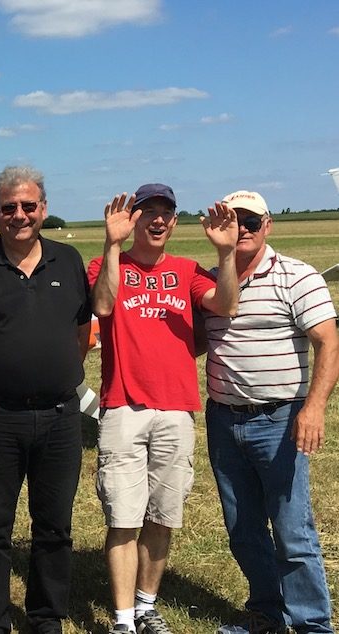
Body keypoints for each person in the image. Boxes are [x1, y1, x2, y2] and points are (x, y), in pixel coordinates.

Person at [0, 165, 91, 634]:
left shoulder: (68, 261)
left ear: (43, 209)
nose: (19, 215)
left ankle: (47, 618)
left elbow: (83, 330)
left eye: (29, 206)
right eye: (9, 208)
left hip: (60, 417)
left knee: (54, 527)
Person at [88, 184, 239, 634]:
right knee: (123, 516)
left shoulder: (188, 270)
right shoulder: (106, 263)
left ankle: (146, 605)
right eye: (147, 212)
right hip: (123, 406)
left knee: (163, 514)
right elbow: (102, 304)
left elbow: (226, 304)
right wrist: (113, 244)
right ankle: (121, 619)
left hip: (176, 408)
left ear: (174, 222)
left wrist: (227, 255)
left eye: (165, 214)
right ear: (132, 219)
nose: (157, 220)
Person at [203, 190, 338, 634]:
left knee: (292, 531)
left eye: (251, 220)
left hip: (280, 419)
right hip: (224, 419)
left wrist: (314, 407)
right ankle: (267, 611)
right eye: (232, 219)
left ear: (268, 226)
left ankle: (312, 624)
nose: (242, 227)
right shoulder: (208, 282)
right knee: (243, 529)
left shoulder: (296, 276)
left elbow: (328, 342)